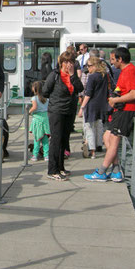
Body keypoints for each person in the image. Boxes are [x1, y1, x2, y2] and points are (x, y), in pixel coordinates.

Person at [84, 47, 135, 182]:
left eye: (112, 60)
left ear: (120, 59)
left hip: (126, 110)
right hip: (119, 110)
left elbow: (134, 94)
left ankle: (102, 171)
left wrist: (116, 100)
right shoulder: (125, 71)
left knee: (114, 140)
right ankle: (116, 169)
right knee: (106, 136)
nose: (111, 63)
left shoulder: (130, 71)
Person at [42, 51, 83, 180]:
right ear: (61, 63)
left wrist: (72, 76)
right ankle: (52, 170)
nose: (68, 65)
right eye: (65, 62)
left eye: (70, 62)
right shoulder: (54, 75)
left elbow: (80, 88)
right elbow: (45, 91)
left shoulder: (73, 75)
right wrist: (56, 99)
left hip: (69, 111)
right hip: (57, 111)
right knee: (56, 139)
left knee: (64, 140)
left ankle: (61, 167)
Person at [78, 56, 109, 159]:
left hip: (92, 105)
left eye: (89, 66)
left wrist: (82, 108)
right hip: (102, 104)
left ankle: (92, 151)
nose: (88, 68)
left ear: (95, 66)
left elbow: (88, 94)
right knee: (99, 126)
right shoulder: (104, 75)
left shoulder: (92, 77)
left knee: (89, 128)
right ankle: (99, 144)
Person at [29, 81, 50, 162]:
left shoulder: (34, 98)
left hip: (37, 120)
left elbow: (34, 107)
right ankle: (46, 155)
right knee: (45, 140)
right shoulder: (46, 99)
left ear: (35, 89)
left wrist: (29, 111)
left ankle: (35, 155)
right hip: (45, 119)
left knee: (37, 139)